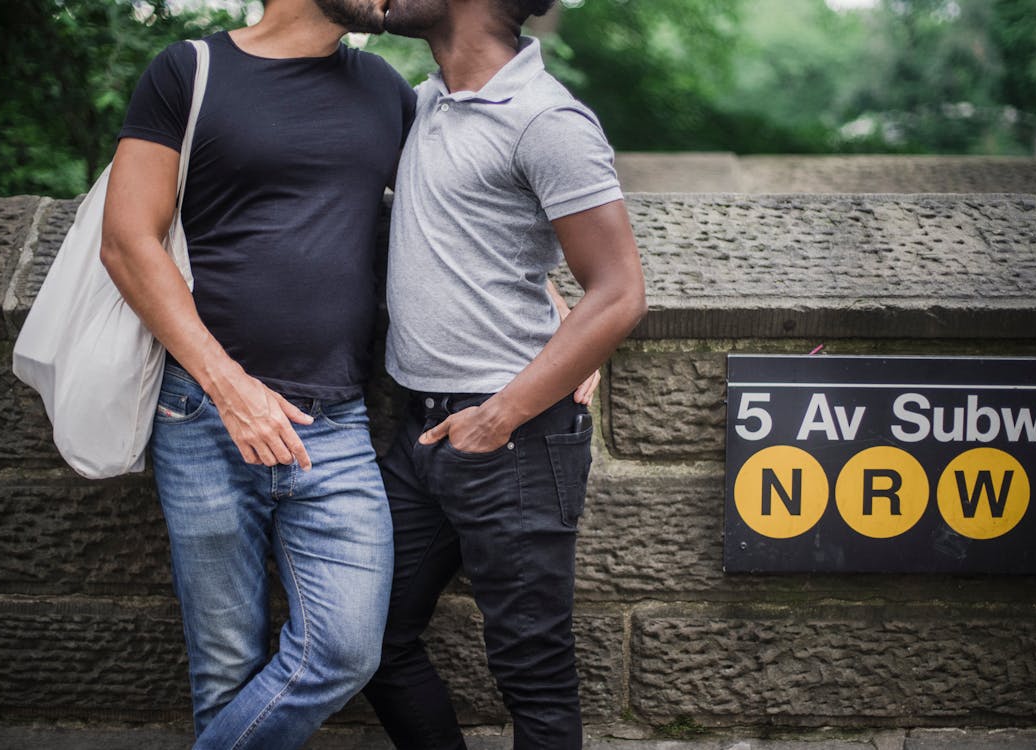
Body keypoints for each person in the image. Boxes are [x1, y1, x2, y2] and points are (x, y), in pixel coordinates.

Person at [99, 1, 412, 747]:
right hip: (202, 417)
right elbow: (125, 240)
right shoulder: (189, 71)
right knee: (225, 671)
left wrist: (544, 301)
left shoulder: (384, 87)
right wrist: (228, 386)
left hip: (334, 424)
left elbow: (453, 215)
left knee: (344, 651)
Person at [361, 0, 648, 747]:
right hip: (421, 431)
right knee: (365, 639)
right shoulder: (424, 102)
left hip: (510, 438)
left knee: (532, 672)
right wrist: (545, 300)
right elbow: (484, 240)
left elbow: (618, 291)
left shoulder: (547, 119)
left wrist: (503, 414)